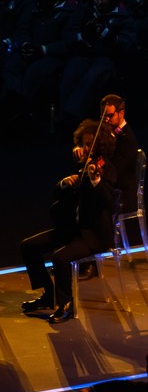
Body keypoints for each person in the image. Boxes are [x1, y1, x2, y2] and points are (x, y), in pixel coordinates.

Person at [20, 119, 117, 323]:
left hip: (94, 235)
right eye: (83, 144)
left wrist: (95, 180)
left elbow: (109, 203)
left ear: (100, 145)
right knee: (28, 246)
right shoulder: (83, 166)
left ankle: (66, 304)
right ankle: (49, 294)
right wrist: (65, 183)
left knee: (60, 258)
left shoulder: (105, 168)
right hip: (73, 229)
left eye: (90, 144)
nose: (85, 148)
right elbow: (61, 196)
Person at [100, 94, 140, 213]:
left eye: (110, 116)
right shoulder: (112, 133)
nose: (106, 120)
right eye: (103, 116)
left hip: (121, 194)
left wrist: (98, 166)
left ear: (121, 114)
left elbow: (116, 172)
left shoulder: (127, 138)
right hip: (112, 188)